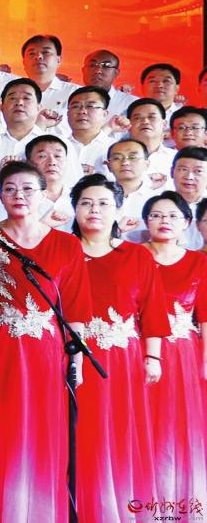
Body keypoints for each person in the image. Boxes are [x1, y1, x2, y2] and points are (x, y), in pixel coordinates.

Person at [0, 160, 92, 522]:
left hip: (47, 353)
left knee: (42, 433)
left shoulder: (66, 244)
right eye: (10, 189)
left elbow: (75, 308)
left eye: (28, 189)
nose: (19, 196)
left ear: (44, 194)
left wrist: (76, 361)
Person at [70, 174, 169, 522]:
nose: (94, 210)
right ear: (74, 209)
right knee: (78, 432)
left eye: (103, 203)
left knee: (119, 432)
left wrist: (153, 357)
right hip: (70, 357)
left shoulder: (135, 256)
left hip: (120, 359)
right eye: (86, 203)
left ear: (117, 209)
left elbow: (152, 310)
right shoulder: (63, 252)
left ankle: (117, 506)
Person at [141, 192, 207, 502]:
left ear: (187, 223)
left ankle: (177, 499)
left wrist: (205, 360)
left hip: (183, 354)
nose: (164, 221)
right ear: (146, 221)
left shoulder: (199, 262)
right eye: (156, 215)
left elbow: (204, 315)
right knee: (144, 422)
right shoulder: (131, 255)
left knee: (179, 427)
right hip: (139, 350)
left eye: (172, 216)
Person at [27, 134, 76, 230]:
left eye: (58, 156)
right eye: (42, 156)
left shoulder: (78, 198)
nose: (52, 162)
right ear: (29, 163)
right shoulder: (22, 199)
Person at [20, 34, 78, 115]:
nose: (38, 56)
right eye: (32, 53)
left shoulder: (75, 93)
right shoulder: (12, 93)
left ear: (59, 60)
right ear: (23, 62)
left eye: (46, 52)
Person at [63, 85, 114, 175]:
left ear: (105, 114)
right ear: (67, 113)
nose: (82, 111)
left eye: (90, 106)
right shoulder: (58, 146)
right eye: (75, 106)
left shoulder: (115, 148)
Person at [126, 98, 176, 179]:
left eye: (152, 117)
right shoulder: (117, 156)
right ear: (129, 124)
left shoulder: (176, 158)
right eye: (138, 118)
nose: (145, 121)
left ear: (164, 124)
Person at [171, 146, 207, 249]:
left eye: (198, 171)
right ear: (172, 172)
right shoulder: (159, 205)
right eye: (183, 169)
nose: (189, 177)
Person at [81, 49, 136, 117]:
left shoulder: (131, 104)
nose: (98, 71)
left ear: (116, 73)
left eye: (106, 66)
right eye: (92, 65)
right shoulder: (71, 98)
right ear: (83, 70)